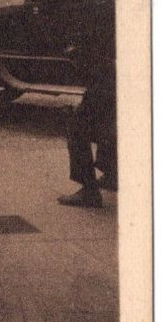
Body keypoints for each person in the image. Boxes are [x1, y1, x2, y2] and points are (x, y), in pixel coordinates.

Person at [58, 56, 117, 209]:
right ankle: (112, 174)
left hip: (107, 73)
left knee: (77, 123)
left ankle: (89, 191)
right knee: (109, 119)